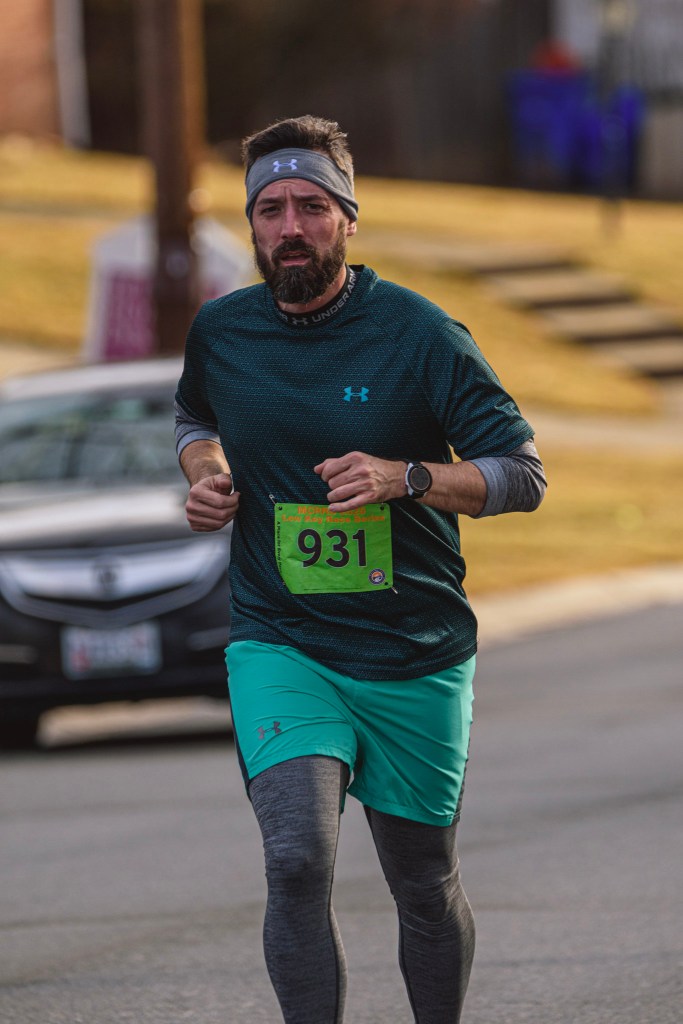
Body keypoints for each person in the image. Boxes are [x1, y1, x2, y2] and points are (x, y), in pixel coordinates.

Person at [175, 114, 546, 1024]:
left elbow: (521, 475)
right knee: (296, 859)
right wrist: (206, 474)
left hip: (413, 647)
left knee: (421, 878)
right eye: (270, 209)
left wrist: (406, 477)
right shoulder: (221, 331)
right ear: (251, 224)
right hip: (282, 638)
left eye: (310, 206)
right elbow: (193, 420)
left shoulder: (418, 333)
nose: (289, 227)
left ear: (347, 217)